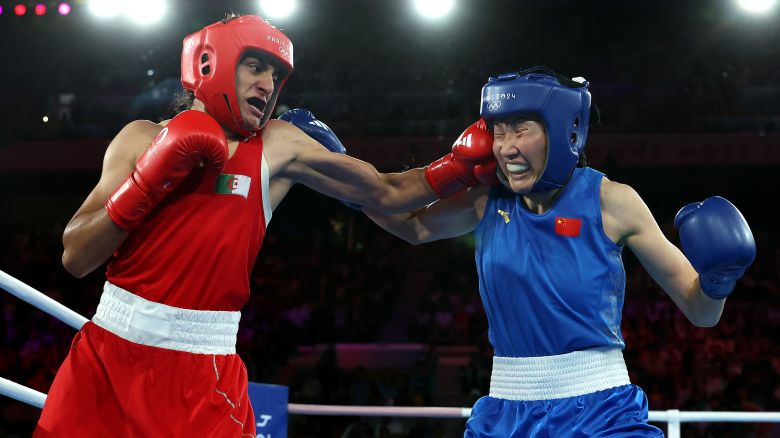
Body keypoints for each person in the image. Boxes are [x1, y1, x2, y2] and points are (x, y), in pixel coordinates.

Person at [34, 15, 496, 436]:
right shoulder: (139, 137)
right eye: (255, 66)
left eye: (277, 75)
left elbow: (386, 192)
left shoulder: (277, 145)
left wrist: (456, 166)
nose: (268, 84)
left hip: (204, 369)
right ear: (210, 62)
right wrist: (145, 181)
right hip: (108, 356)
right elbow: (75, 257)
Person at [361, 66, 756, 436]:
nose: (506, 147)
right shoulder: (485, 199)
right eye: (498, 131)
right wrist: (342, 179)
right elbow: (410, 225)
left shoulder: (612, 201)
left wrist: (718, 281)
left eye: (521, 129)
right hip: (505, 408)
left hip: (601, 409)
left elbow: (700, 312)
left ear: (562, 130)